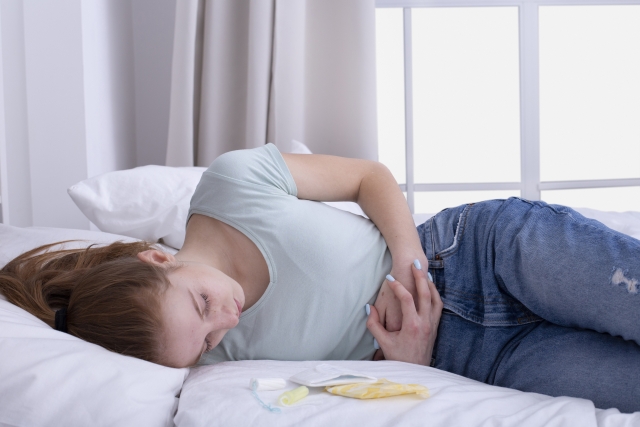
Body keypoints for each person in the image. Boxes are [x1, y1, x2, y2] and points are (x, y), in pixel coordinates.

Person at [1, 143, 638, 413]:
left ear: (157, 258)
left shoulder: (232, 184)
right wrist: (414, 364)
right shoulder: (223, 361)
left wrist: (410, 264)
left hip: (479, 254)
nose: (226, 323)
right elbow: (338, 388)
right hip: (479, 356)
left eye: (201, 306)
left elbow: (370, 177)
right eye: (203, 342)